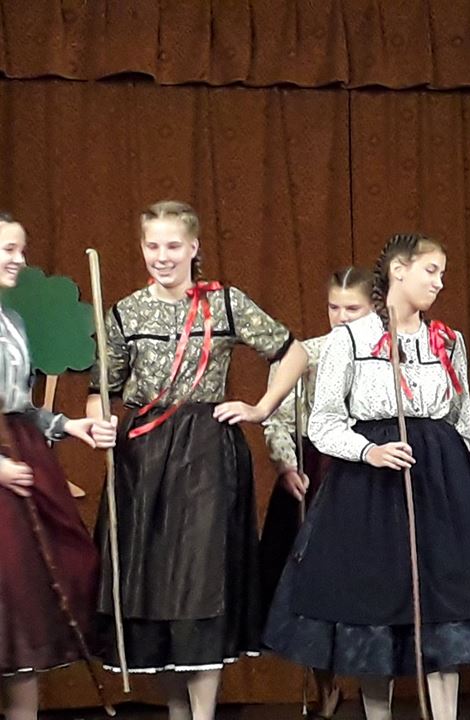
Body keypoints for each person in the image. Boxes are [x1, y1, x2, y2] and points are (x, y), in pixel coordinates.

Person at [264, 233, 470, 720]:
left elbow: (461, 418)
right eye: (431, 271)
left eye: (442, 273)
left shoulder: (448, 341)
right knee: (374, 607)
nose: (439, 282)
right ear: (399, 271)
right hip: (371, 487)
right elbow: (323, 423)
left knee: (443, 606)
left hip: (439, 483)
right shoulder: (350, 339)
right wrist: (368, 451)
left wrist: (459, 473)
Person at [86, 201, 307, 720]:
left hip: (206, 455)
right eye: (152, 245)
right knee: (155, 585)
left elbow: (294, 353)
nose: (161, 256)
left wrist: (261, 407)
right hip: (142, 459)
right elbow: (101, 392)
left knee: (200, 583)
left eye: (172, 245)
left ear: (193, 248)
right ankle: (177, 713)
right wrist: (100, 423)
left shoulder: (224, 304)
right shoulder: (125, 313)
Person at [0, 213, 116, 720]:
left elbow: (19, 406)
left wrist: (70, 425)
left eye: (21, 249)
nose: (20, 260)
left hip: (21, 452)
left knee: (24, 614)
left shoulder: (12, 321)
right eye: (9, 249)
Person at [260, 266, 374, 718]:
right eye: (334, 307)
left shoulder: (384, 354)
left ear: (374, 308)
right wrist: (286, 465)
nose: (341, 317)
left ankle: (374, 688)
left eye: (353, 308)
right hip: (316, 469)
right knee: (311, 586)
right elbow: (277, 420)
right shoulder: (305, 354)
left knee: (368, 582)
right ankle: (326, 687)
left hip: (368, 472)